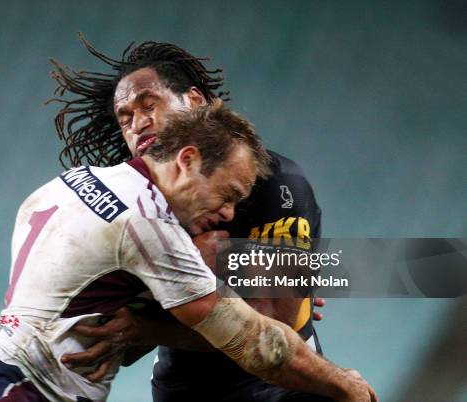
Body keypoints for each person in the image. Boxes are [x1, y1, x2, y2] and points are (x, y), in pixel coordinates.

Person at [0, 102, 375, 402]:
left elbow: (102, 311)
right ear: (187, 160)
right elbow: (258, 345)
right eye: (227, 193)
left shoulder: (77, 179)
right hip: (18, 390)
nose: (227, 211)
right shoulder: (147, 224)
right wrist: (345, 386)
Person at [50, 36, 328, 401]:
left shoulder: (274, 183)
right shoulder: (136, 208)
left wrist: (151, 325)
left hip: (284, 387)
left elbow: (276, 323)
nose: (138, 124)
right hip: (185, 391)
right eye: (126, 118)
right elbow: (120, 338)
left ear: (195, 102)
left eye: (149, 105)